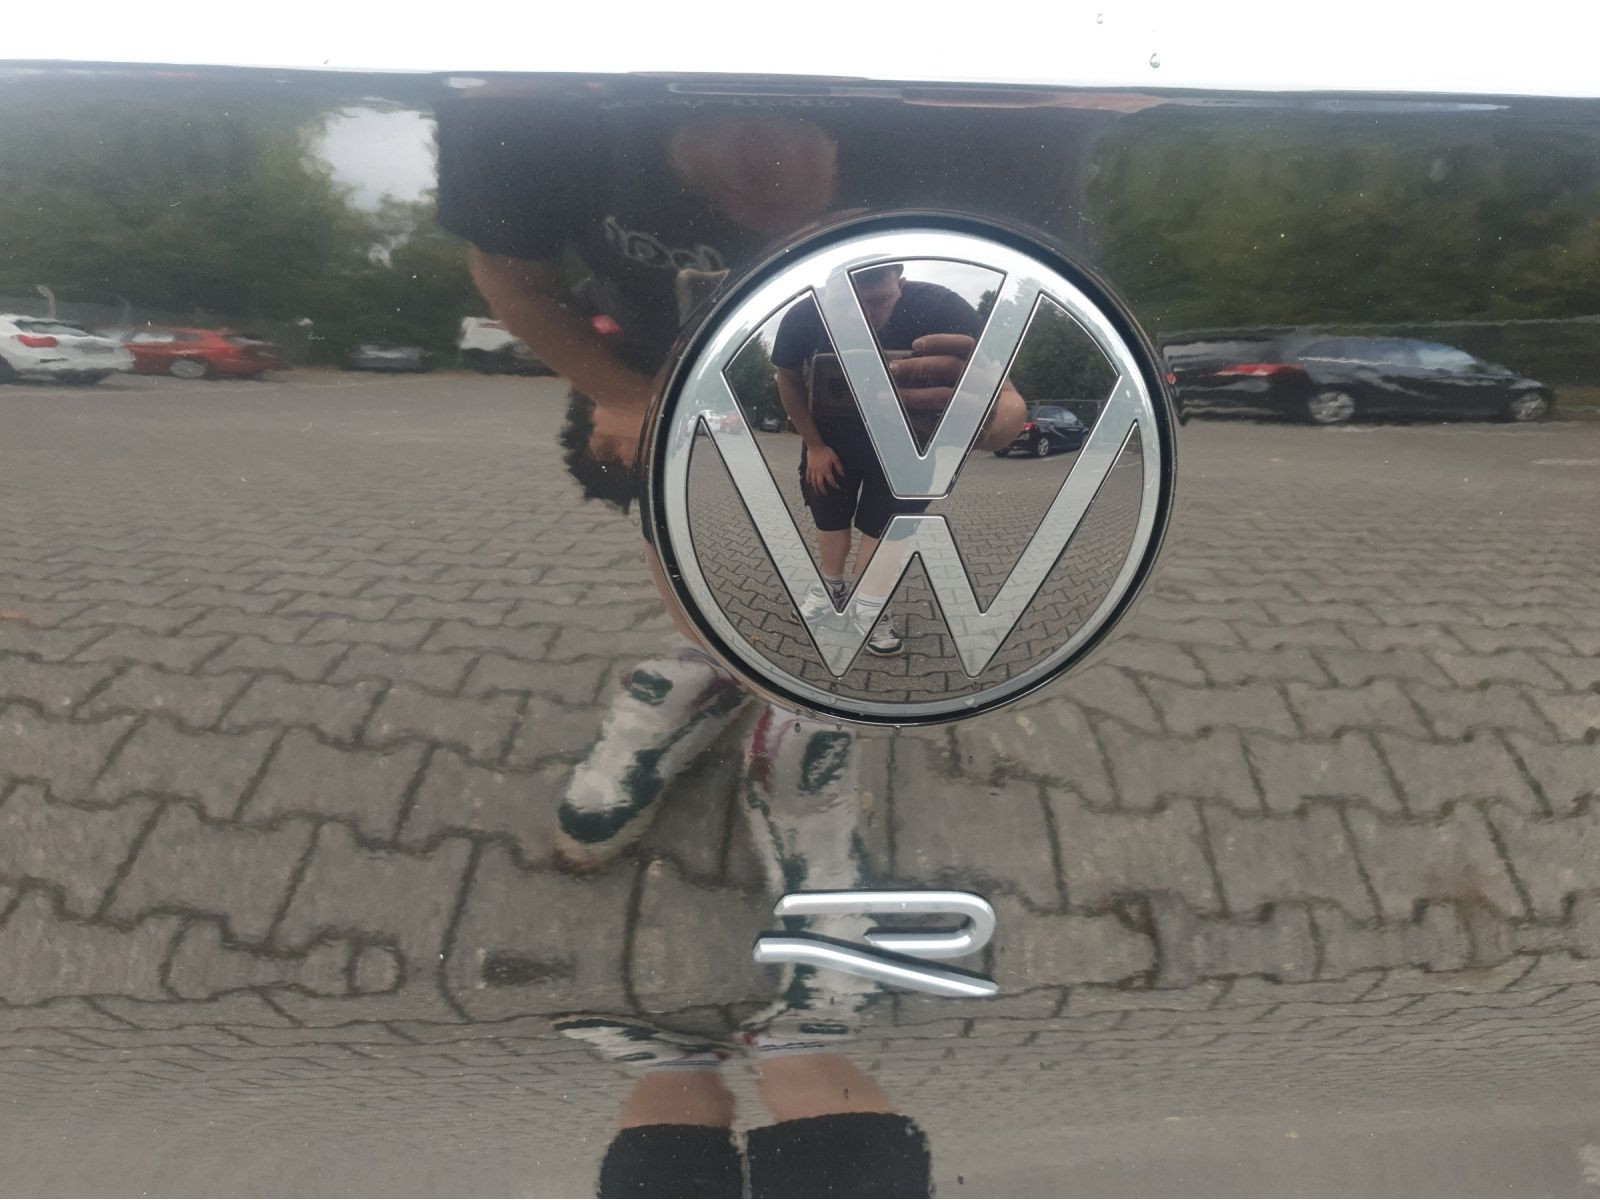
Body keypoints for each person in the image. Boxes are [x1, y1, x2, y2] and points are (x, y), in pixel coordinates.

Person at [771, 265, 1026, 654]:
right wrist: (815, 446)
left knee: (887, 528)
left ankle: (868, 606)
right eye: (847, 304)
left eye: (879, 300)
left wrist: (993, 426)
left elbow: (1002, 390)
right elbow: (787, 379)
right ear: (827, 291)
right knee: (830, 518)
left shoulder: (941, 308)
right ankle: (830, 589)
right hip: (831, 442)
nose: (863, 318)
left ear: (900, 284)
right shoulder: (804, 314)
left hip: (909, 446)